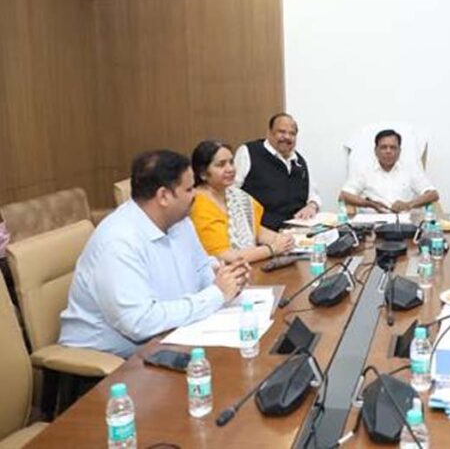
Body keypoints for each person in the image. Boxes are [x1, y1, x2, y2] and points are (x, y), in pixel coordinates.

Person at [59, 150, 250, 358]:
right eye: (189, 189)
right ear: (163, 196)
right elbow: (139, 322)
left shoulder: (180, 222)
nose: (196, 194)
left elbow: (202, 269)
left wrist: (228, 280)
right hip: (112, 362)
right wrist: (215, 294)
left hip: (171, 339)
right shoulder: (118, 241)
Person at [190, 140, 294, 263]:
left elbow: (255, 230)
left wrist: (283, 240)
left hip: (249, 266)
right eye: (221, 165)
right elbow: (224, 256)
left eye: (231, 162)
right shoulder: (199, 203)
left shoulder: (236, 195)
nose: (230, 169)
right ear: (203, 174)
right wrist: (272, 249)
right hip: (222, 272)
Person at [234, 113, 321, 230]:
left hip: (297, 230)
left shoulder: (300, 162)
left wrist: (311, 206)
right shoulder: (248, 153)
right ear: (269, 133)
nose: (287, 137)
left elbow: (314, 195)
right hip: (260, 231)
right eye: (281, 132)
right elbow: (231, 193)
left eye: (292, 133)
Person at [339, 129, 439, 213]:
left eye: (393, 147)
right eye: (383, 147)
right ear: (376, 151)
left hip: (404, 223)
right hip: (373, 224)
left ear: (399, 151)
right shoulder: (364, 170)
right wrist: (370, 204)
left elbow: (433, 194)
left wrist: (408, 205)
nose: (388, 151)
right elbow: (344, 195)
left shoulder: (410, 169)